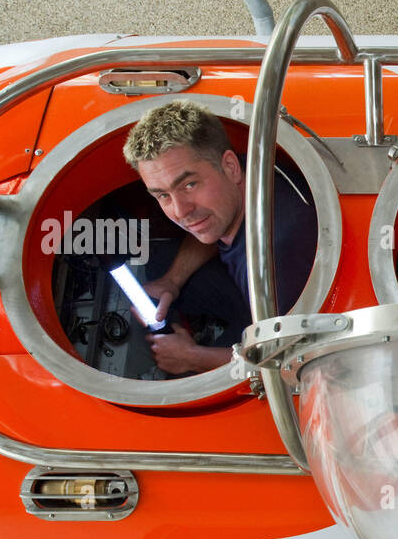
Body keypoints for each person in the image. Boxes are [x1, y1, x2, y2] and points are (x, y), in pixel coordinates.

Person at [122, 100, 316, 374]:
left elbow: (295, 359)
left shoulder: (276, 255)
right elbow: (209, 225)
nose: (180, 211)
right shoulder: (246, 175)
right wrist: (172, 281)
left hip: (279, 322)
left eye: (189, 184)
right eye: (163, 195)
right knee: (161, 264)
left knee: (183, 385)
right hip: (249, 289)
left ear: (230, 166)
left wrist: (194, 357)